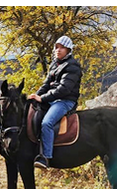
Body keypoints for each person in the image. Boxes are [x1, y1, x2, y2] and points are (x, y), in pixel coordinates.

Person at [29, 35, 82, 169]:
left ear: (69, 50)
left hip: (64, 101)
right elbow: (46, 84)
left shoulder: (73, 66)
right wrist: (36, 95)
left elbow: (64, 90)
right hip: (52, 98)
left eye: (62, 47)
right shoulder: (54, 64)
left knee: (47, 123)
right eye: (57, 47)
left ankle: (46, 157)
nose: (58, 50)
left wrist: (43, 98)